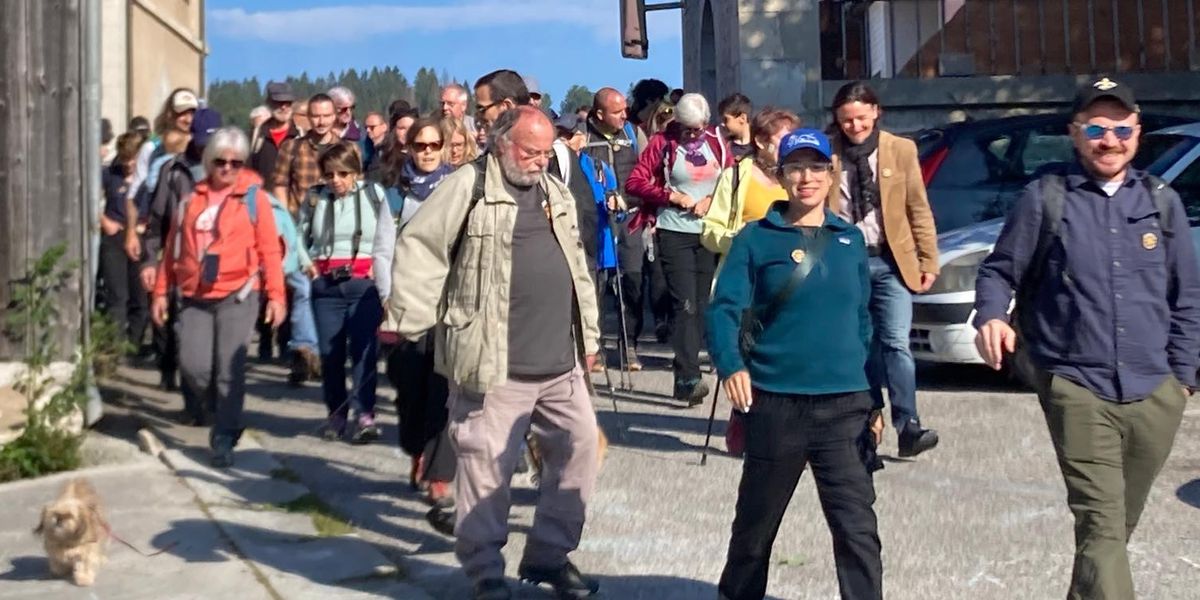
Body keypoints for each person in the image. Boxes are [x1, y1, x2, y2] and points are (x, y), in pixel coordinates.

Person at [974, 77, 1200, 600]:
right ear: (1076, 134)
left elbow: (1187, 297)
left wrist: (1181, 381)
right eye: (1096, 128)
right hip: (1077, 385)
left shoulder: (1161, 203)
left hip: (1155, 392)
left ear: (1137, 134)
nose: (1109, 140)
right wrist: (991, 315)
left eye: (1121, 128)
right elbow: (999, 271)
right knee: (1102, 525)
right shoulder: (1046, 197)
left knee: (1112, 532)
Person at [387, 106, 602, 600]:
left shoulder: (554, 191)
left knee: (579, 450)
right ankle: (486, 573)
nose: (540, 161)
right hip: (493, 364)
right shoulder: (467, 187)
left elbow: (576, 268)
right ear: (501, 143)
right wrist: (412, 323)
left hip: (559, 363)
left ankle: (549, 557)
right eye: (531, 151)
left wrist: (588, 339)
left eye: (547, 152)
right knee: (487, 470)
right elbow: (419, 248)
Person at [708, 128, 883, 600]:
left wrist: (875, 400)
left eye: (816, 168)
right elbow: (724, 309)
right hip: (776, 402)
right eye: (795, 168)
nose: (806, 178)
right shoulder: (755, 239)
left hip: (844, 405)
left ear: (831, 174)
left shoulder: (849, 240)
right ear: (781, 176)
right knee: (755, 527)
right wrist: (731, 366)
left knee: (857, 530)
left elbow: (863, 324)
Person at [150, 127, 287, 468]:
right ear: (210, 161)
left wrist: (276, 296)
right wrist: (160, 292)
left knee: (230, 369)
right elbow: (172, 250)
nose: (228, 168)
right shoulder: (189, 200)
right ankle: (222, 410)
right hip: (195, 295)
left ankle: (224, 434)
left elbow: (269, 249)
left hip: (238, 294)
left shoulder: (254, 199)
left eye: (236, 162)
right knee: (194, 368)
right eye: (221, 161)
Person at [827, 81, 940, 457]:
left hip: (892, 261)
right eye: (846, 121)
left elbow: (917, 208)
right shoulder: (827, 152)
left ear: (876, 112)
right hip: (847, 262)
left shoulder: (901, 149)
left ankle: (908, 424)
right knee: (861, 347)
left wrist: (929, 259)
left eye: (861, 118)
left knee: (896, 344)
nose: (854, 127)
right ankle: (867, 422)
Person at [375, 117, 457, 533]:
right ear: (407, 148)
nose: (427, 151)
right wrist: (387, 299)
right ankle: (415, 452)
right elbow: (382, 251)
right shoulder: (395, 195)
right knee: (410, 394)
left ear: (444, 147)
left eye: (434, 145)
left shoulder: (458, 189)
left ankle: (440, 478)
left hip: (448, 307)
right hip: (407, 306)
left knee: (444, 396)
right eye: (419, 145)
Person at [627, 92, 732, 405]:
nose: (691, 135)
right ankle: (688, 376)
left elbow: (732, 179)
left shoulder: (717, 142)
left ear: (706, 123)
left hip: (709, 231)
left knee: (701, 304)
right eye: (685, 128)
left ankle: (685, 366)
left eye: (696, 129)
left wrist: (712, 200)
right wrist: (671, 196)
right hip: (674, 230)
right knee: (683, 303)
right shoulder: (662, 142)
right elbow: (634, 182)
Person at [299, 142, 392, 443]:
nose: (336, 180)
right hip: (326, 285)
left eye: (343, 173)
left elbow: (387, 236)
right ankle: (336, 414)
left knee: (364, 353)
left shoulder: (374, 195)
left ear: (356, 172)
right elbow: (298, 236)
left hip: (363, 284)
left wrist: (382, 277)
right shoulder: (315, 198)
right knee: (331, 355)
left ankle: (364, 414)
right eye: (330, 174)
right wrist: (308, 266)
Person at [141, 108, 222, 406]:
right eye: (202, 141)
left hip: (223, 268)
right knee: (185, 334)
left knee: (218, 340)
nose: (206, 148)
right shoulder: (173, 171)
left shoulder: (233, 169)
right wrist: (150, 262)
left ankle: (214, 401)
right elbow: (156, 222)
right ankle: (191, 400)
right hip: (182, 265)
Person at [582, 87, 649, 371]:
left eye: (625, 109)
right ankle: (593, 348)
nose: (625, 115)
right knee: (595, 286)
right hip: (596, 223)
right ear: (599, 114)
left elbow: (647, 172)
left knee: (633, 284)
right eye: (617, 111)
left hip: (630, 219)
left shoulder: (633, 134)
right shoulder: (582, 138)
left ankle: (629, 347)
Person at [702, 107, 800, 258]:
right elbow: (710, 232)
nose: (790, 147)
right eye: (784, 140)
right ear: (760, 141)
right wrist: (739, 239)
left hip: (788, 269)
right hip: (747, 269)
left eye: (794, 141)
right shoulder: (734, 177)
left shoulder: (800, 177)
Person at [124, 88, 197, 262]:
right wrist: (131, 233)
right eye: (182, 113)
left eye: (192, 113)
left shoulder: (201, 147)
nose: (188, 119)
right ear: (170, 114)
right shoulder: (152, 149)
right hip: (158, 233)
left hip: (193, 232)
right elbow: (134, 195)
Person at [98, 133, 151, 349]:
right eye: (125, 158)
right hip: (115, 236)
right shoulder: (110, 174)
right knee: (117, 296)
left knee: (140, 297)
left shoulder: (148, 178)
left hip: (140, 236)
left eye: (133, 159)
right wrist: (104, 221)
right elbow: (90, 197)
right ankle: (115, 346)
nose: (129, 164)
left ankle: (134, 344)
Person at [273, 93, 337, 213]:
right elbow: (280, 186)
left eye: (326, 116)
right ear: (308, 117)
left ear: (334, 116)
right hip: (300, 221)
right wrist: (286, 221)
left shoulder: (347, 149)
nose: (321, 122)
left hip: (335, 221)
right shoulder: (290, 147)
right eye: (316, 116)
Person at [249, 82, 302, 183]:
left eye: (288, 103)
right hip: (263, 197)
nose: (283, 107)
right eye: (279, 102)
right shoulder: (255, 136)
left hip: (293, 198)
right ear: (268, 103)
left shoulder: (302, 136)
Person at [718, 93, 754, 160]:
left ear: (742, 118)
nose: (722, 124)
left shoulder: (760, 146)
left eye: (726, 120)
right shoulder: (723, 149)